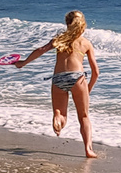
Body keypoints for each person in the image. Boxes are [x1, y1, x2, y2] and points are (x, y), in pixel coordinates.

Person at [14, 10, 102, 159]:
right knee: (84, 116)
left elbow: (40, 50)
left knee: (62, 114)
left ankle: (57, 116)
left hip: (58, 79)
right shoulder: (85, 43)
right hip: (77, 79)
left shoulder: (59, 39)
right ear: (82, 26)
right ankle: (88, 149)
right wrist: (88, 88)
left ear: (67, 23)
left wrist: (23, 63)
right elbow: (96, 72)